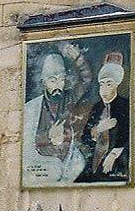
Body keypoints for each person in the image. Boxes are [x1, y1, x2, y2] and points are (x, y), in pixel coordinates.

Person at [22, 52, 87, 184]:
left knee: (80, 164)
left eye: (61, 80)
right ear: (43, 82)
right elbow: (26, 143)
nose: (58, 85)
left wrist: (77, 58)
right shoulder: (31, 107)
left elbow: (86, 80)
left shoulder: (69, 97)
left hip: (68, 161)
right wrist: (48, 136)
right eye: (53, 80)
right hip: (42, 162)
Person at [76, 52, 129, 183]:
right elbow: (85, 138)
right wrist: (98, 129)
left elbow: (127, 136)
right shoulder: (97, 108)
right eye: (102, 84)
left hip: (116, 161)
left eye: (109, 84)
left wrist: (113, 155)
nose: (104, 90)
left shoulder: (125, 105)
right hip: (94, 160)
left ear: (116, 85)